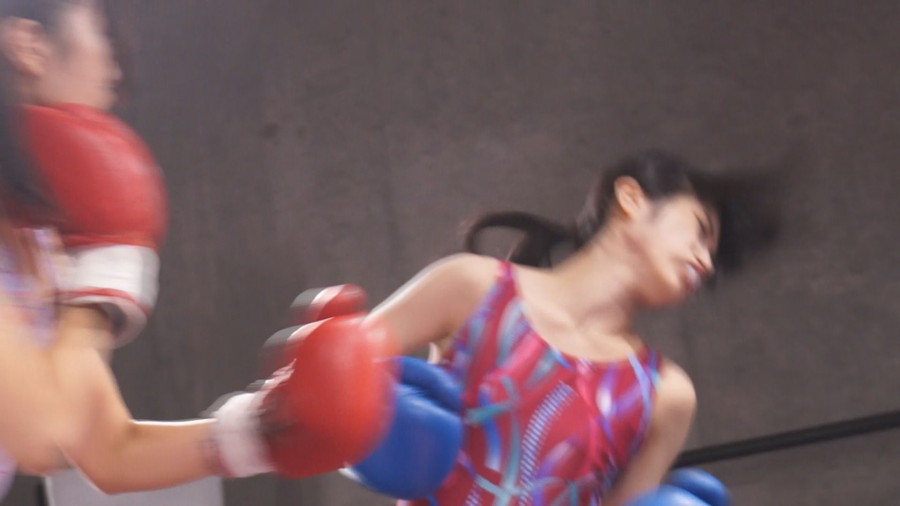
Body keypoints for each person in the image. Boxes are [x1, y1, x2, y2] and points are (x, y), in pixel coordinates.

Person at [0, 0, 396, 498]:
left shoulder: (39, 238)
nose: (113, 68)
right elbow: (42, 436)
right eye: (101, 33)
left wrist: (264, 431)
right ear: (30, 45)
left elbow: (107, 451)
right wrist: (102, 273)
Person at [348, 150, 775, 505]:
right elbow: (319, 381)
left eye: (713, 257)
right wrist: (358, 421)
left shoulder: (666, 394)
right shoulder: (474, 288)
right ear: (631, 198)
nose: (705, 262)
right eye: (700, 231)